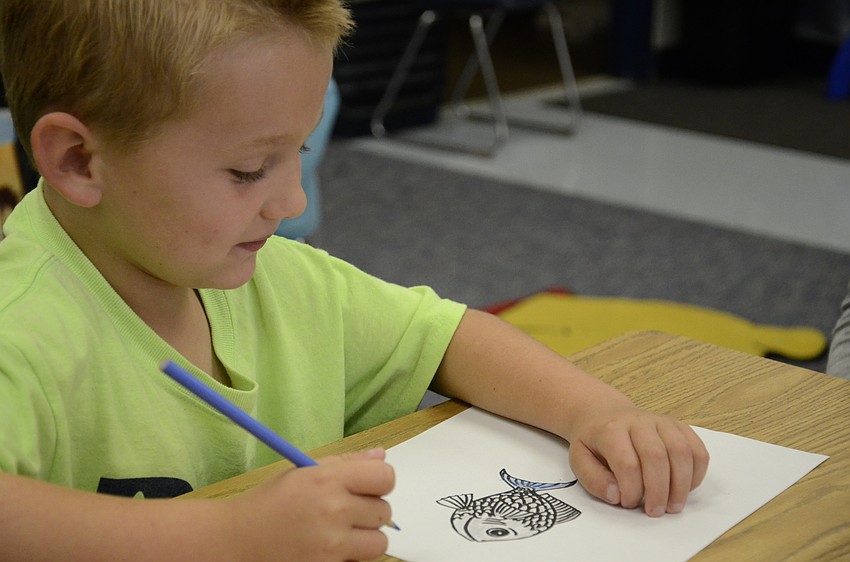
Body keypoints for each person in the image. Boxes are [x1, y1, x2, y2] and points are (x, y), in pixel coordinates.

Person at [0, 1, 709, 560]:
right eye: (248, 171)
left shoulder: (278, 278)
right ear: (78, 162)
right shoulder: (22, 327)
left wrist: (595, 411)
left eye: (298, 154)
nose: (293, 203)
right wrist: (227, 542)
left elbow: (450, 337)